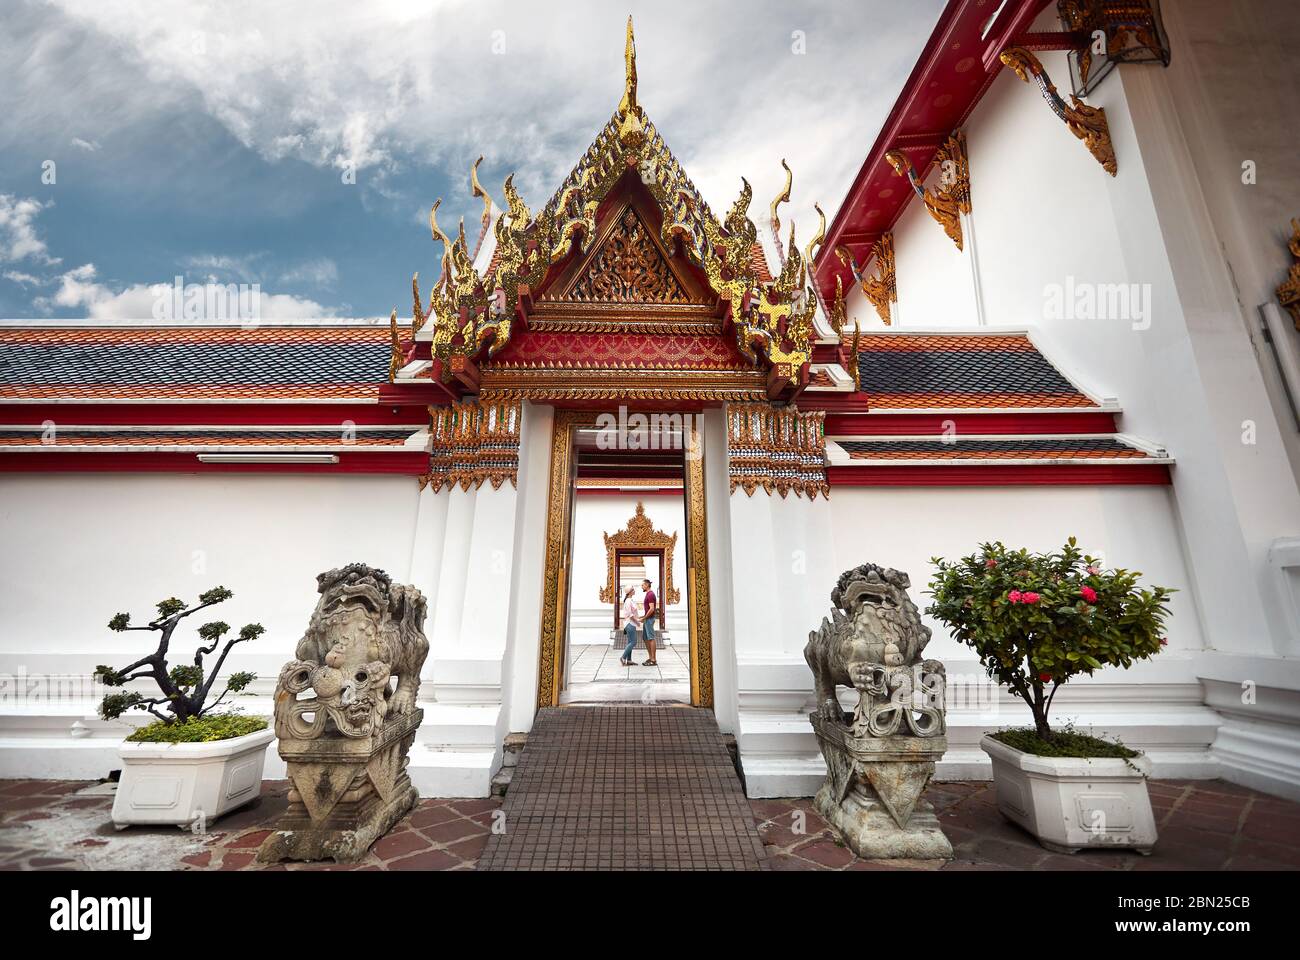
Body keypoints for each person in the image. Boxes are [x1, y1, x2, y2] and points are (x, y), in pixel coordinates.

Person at [619, 585, 641, 666]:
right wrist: (637, 622)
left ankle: (629, 660)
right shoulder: (628, 601)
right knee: (633, 642)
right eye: (633, 589)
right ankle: (623, 657)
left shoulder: (630, 600)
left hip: (631, 624)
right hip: (630, 623)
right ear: (630, 592)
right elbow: (630, 615)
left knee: (630, 642)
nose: (634, 590)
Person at [641, 578, 658, 667]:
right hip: (647, 619)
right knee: (645, 638)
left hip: (649, 619)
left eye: (643, 585)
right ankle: (650, 657)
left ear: (647, 585)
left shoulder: (651, 594)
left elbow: (652, 609)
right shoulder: (648, 594)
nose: (641, 587)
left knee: (651, 638)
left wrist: (644, 617)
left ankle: (653, 659)